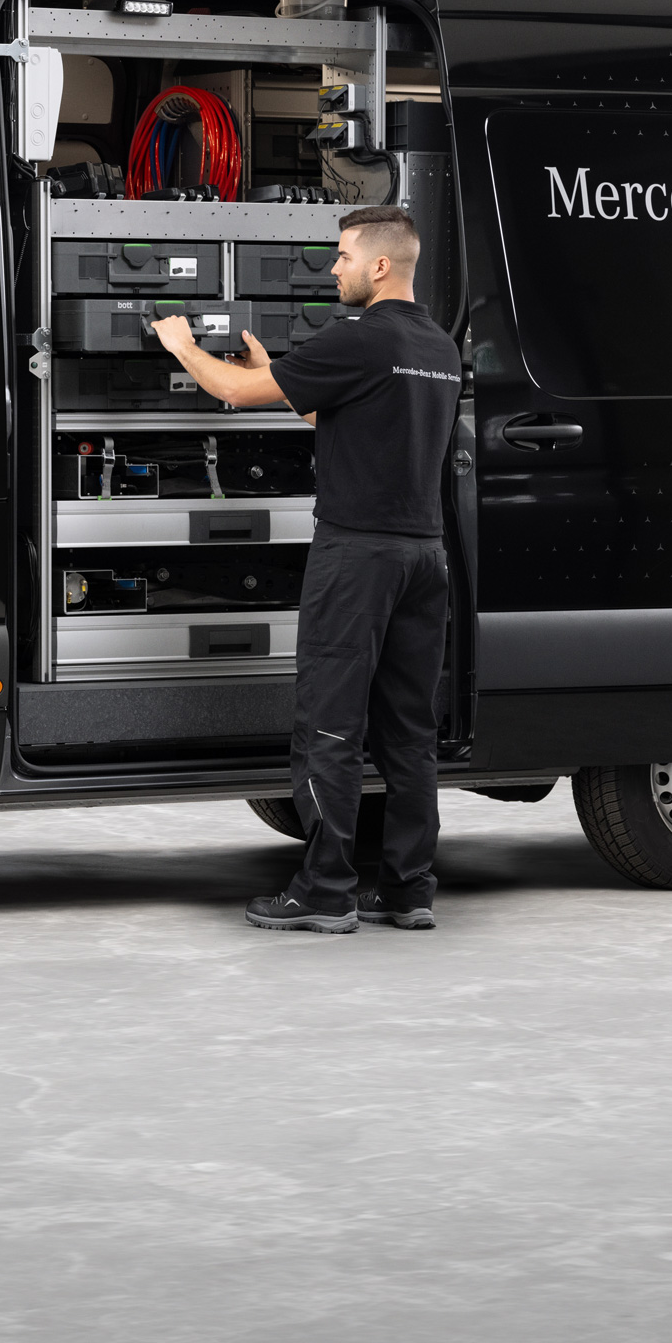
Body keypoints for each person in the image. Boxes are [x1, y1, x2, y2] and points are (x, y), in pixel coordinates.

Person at [149, 205, 463, 936]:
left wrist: (183, 346)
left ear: (380, 265)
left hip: (357, 557)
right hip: (423, 556)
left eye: (344, 256)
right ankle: (410, 888)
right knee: (408, 732)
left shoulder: (361, 339)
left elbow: (229, 394)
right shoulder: (437, 346)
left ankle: (325, 892)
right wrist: (281, 377)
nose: (334, 268)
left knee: (329, 725)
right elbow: (350, 417)